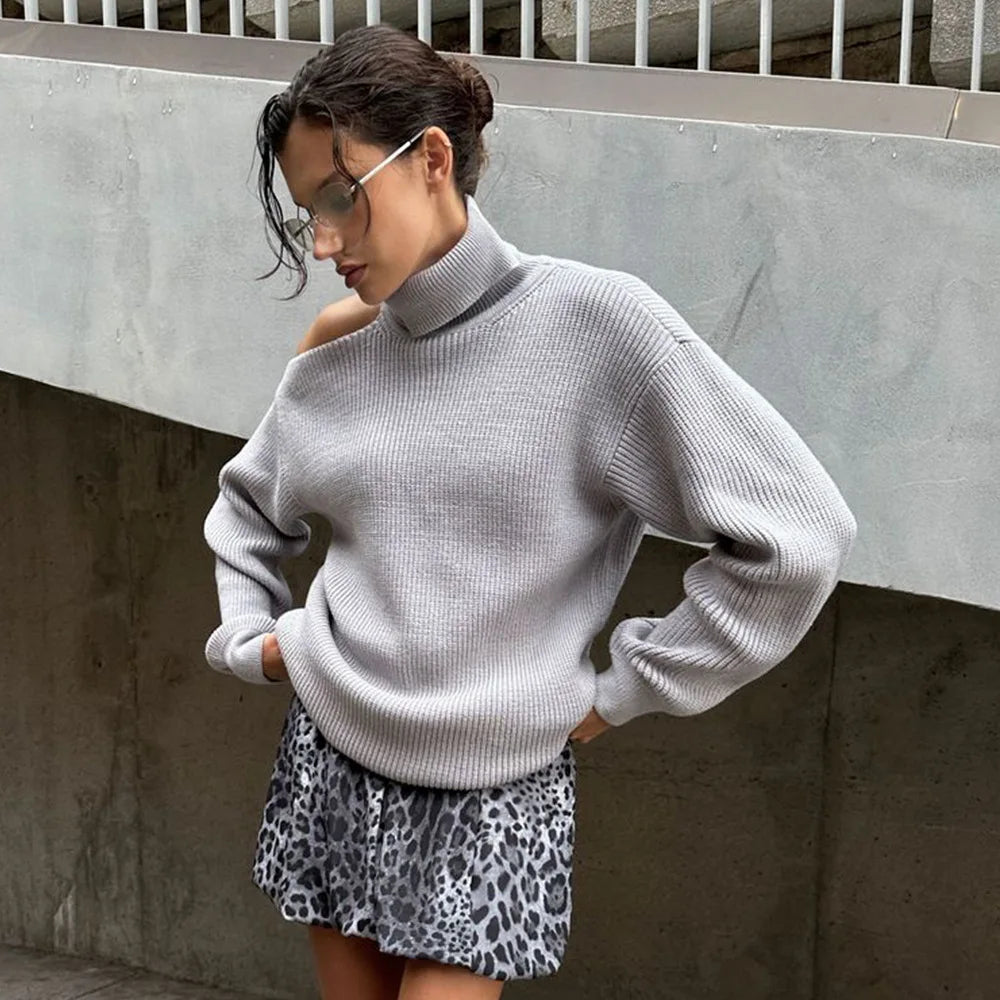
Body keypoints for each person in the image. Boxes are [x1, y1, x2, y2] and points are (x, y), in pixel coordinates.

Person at [202, 23, 857, 1000]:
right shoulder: (341, 344)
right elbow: (251, 507)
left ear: (430, 158)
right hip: (335, 747)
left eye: (340, 198)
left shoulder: (599, 326)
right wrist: (257, 639)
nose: (327, 242)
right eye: (309, 215)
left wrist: (621, 690)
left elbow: (797, 536)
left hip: (495, 782)